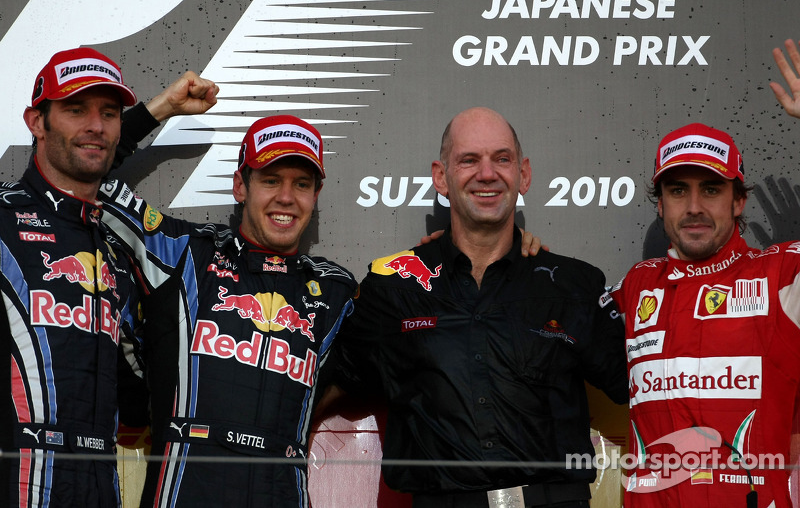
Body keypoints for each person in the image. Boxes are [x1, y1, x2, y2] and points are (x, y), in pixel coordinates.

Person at [327, 106, 628, 508]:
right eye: (469, 160)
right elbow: (319, 385)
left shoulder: (575, 285)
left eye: (501, 159)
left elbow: (648, 387)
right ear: (441, 176)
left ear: (523, 174)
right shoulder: (393, 288)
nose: (487, 174)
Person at [99, 115, 358, 507]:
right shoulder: (184, 253)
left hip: (281, 492)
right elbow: (91, 181)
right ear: (241, 186)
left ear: (315, 195)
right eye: (271, 180)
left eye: (301, 184)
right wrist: (156, 111)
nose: (286, 197)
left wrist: (447, 252)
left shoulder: (337, 292)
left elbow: (400, 344)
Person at [0, 47, 214, 507]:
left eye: (110, 113)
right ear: (36, 122)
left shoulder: (115, 243)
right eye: (75, 110)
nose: (95, 125)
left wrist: (165, 107)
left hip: (100, 483)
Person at [608, 40, 800, 508]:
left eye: (711, 189)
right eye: (678, 190)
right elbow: (536, 303)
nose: (694, 207)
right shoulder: (636, 286)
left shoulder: (781, 274)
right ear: (660, 204)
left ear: (739, 201)